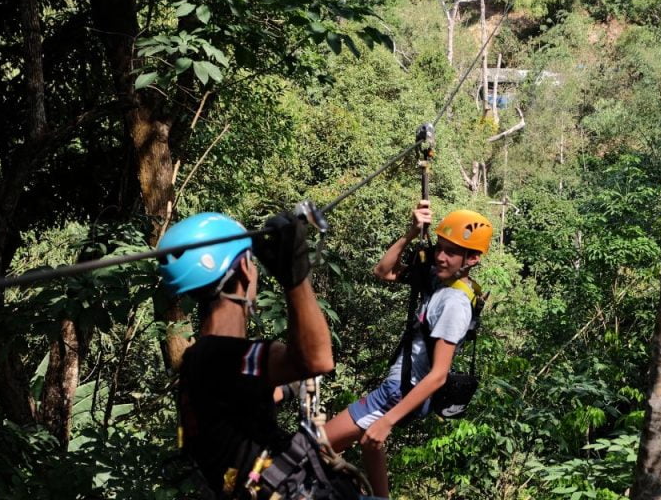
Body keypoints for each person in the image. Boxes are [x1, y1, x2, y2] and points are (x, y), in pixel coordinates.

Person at [158, 211, 360, 500]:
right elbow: (318, 359)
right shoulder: (223, 355)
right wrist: (295, 277)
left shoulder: (200, 358)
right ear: (244, 268)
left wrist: (289, 388)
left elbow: (243, 401)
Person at [323, 200, 493, 498]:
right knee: (367, 442)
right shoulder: (440, 282)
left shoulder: (454, 303)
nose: (441, 256)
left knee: (314, 447)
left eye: (451, 252)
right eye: (440, 247)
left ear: (473, 258)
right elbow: (383, 271)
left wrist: (388, 421)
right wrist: (410, 234)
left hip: (400, 392)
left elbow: (439, 375)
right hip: (401, 387)